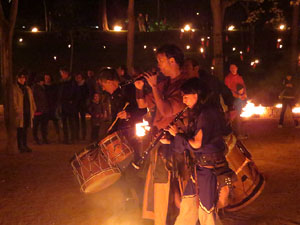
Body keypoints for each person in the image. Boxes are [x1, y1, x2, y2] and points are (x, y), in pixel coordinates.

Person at [160, 78, 234, 225]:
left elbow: (196, 144)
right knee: (187, 208)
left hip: (208, 170)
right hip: (198, 169)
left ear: (197, 94)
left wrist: (177, 135)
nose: (184, 100)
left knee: (207, 213)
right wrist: (170, 141)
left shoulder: (207, 113)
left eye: (186, 96)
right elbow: (191, 141)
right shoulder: (201, 112)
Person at [134, 44, 187, 225]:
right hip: (160, 140)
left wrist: (154, 86)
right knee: (163, 187)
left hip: (178, 144)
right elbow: (143, 104)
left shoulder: (186, 84)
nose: (158, 65)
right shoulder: (165, 83)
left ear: (172, 61)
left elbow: (165, 111)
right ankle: (166, 219)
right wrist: (140, 88)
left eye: (161, 61)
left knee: (181, 189)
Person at [13, 71, 36, 153]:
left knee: (25, 129)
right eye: (21, 77)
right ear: (18, 78)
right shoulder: (15, 89)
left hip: (27, 112)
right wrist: (17, 110)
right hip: (20, 113)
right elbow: (14, 101)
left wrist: (33, 108)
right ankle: (20, 146)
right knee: (20, 130)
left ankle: (25, 145)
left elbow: (31, 100)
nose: (23, 79)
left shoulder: (27, 89)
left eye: (24, 78)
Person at [224, 64, 247, 139]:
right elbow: (228, 90)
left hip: (239, 99)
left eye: (234, 68)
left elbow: (243, 87)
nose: (233, 69)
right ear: (230, 69)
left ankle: (237, 133)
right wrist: (237, 96)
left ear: (237, 68)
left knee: (238, 116)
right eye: (231, 68)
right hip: (232, 100)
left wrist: (244, 95)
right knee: (234, 116)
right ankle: (236, 134)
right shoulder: (227, 78)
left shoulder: (240, 78)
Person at [58, 68, 76, 144]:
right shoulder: (61, 83)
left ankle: (72, 138)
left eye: (62, 73)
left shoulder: (71, 83)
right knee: (64, 122)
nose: (61, 75)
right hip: (63, 105)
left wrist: (70, 100)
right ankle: (66, 138)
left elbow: (73, 93)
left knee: (71, 122)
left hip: (69, 105)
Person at [32, 75, 49, 144]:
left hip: (43, 109)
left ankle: (44, 138)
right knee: (36, 125)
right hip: (39, 110)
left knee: (43, 125)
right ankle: (36, 138)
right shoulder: (36, 89)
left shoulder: (42, 88)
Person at [44, 73, 61, 143]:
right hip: (45, 107)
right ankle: (45, 137)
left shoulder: (54, 86)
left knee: (56, 122)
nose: (47, 79)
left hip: (53, 106)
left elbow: (56, 96)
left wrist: (56, 105)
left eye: (48, 78)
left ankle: (58, 136)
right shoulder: (43, 87)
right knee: (45, 123)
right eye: (45, 78)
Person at [74, 73, 89, 141]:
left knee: (83, 121)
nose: (78, 78)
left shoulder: (85, 85)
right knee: (76, 121)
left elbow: (87, 94)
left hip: (82, 105)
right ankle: (76, 135)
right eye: (77, 77)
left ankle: (83, 135)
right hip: (76, 105)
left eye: (79, 77)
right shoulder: (75, 85)